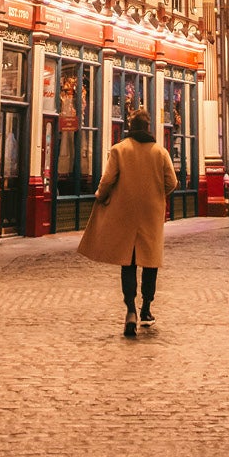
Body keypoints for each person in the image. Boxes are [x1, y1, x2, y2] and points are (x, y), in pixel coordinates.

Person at [78, 106, 177, 337]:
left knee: (129, 262)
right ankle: (147, 309)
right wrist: (156, 194)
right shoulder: (160, 152)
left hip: (125, 214)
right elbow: (171, 182)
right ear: (148, 127)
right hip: (151, 215)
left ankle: (130, 310)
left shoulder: (119, 150)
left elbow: (107, 179)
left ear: (130, 128)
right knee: (150, 262)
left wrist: (101, 196)